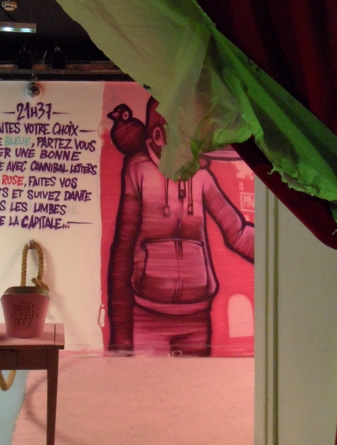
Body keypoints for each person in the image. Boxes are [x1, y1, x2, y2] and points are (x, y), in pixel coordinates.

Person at [108, 97, 254, 356]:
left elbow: (237, 233)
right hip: (147, 314)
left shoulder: (201, 177)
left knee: (193, 382)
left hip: (197, 316)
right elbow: (123, 249)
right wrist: (120, 335)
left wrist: (281, 255)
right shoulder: (138, 171)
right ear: (159, 136)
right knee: (145, 381)